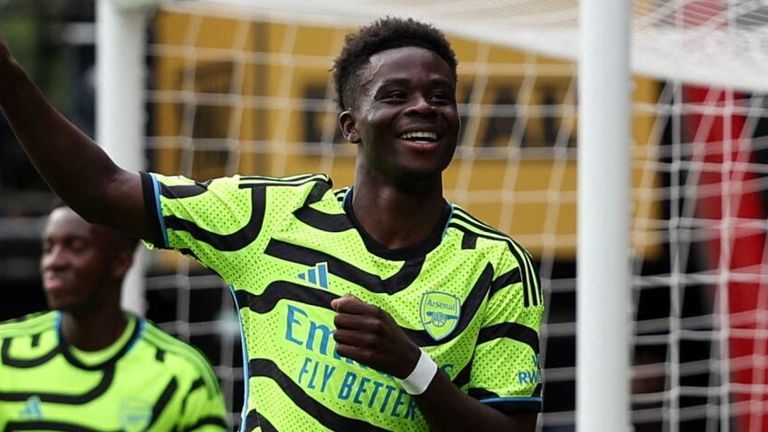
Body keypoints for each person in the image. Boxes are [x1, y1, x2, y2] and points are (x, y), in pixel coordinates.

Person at [0, 17, 543, 431]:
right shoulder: (268, 217)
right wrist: (8, 78)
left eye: (440, 96)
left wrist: (412, 367)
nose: (424, 107)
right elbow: (100, 190)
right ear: (351, 127)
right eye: (396, 95)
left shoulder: (497, 266)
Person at [0, 205, 228, 431]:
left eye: (76, 247)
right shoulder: (4, 350)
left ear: (120, 262)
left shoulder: (182, 374)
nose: (54, 262)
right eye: (48, 248)